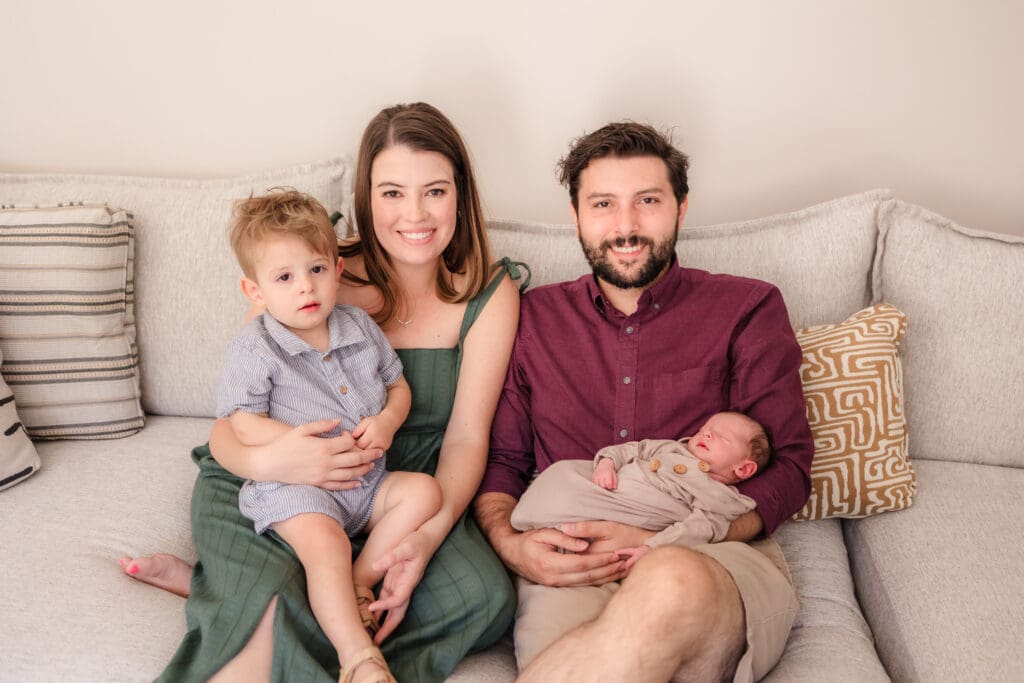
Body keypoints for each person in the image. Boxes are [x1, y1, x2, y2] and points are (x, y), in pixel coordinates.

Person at [120, 102, 524, 683]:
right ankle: (328, 646)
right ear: (365, 196)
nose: (414, 213)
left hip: (391, 482)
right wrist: (275, 457)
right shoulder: (310, 273)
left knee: (483, 597)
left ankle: (234, 593)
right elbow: (229, 425)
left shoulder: (488, 290)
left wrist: (426, 538)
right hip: (278, 473)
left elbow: (465, 437)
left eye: (434, 191)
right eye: (391, 193)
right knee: (272, 599)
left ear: (460, 195)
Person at [473, 121, 814, 682]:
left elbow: (791, 468)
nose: (625, 226)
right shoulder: (532, 317)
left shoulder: (747, 308)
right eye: (603, 203)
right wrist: (511, 545)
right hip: (571, 560)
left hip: (709, 555)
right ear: (576, 216)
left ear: (680, 208)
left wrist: (666, 541)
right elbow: (504, 461)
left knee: (669, 582)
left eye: (647, 201)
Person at [217, 188, 443, 682]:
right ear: (254, 291)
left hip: (365, 485)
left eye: (317, 269)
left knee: (425, 491)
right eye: (284, 277)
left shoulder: (359, 325)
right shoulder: (255, 349)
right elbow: (241, 420)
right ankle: (358, 658)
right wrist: (292, 445)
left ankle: (361, 582)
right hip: (299, 490)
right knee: (327, 548)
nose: (306, 288)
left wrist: (386, 422)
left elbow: (396, 385)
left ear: (337, 271)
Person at [511, 411, 770, 569]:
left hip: (621, 511)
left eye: (722, 438)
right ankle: (537, 526)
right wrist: (607, 464)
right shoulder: (670, 448)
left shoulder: (720, 499)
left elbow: (697, 530)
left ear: (744, 469)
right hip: (605, 483)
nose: (707, 436)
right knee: (562, 478)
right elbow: (631, 449)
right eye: (704, 431)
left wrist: (653, 545)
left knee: (575, 535)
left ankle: (553, 536)